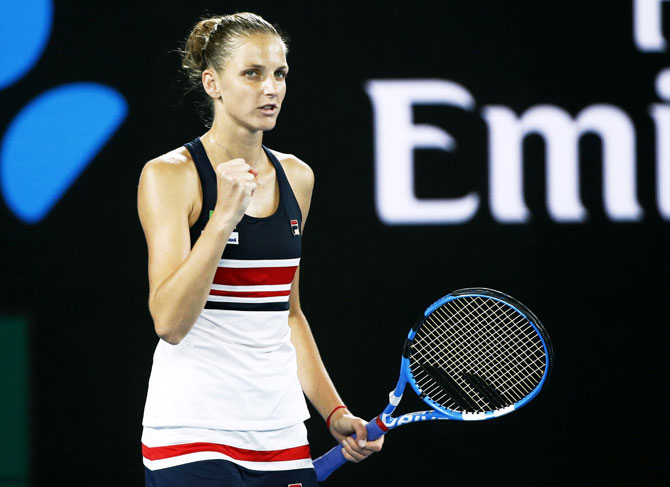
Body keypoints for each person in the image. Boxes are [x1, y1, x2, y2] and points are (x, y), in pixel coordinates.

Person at [137, 12, 383, 486]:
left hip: (280, 433)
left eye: (279, 74)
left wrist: (334, 413)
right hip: (190, 433)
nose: (270, 88)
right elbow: (169, 322)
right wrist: (222, 218)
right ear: (213, 83)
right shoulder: (169, 176)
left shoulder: (298, 178)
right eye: (252, 73)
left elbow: (287, 312)